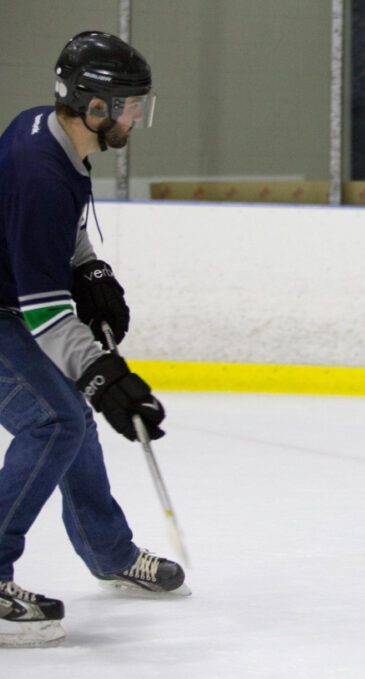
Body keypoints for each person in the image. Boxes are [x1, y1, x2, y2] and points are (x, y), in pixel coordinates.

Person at [0, 31, 188, 648]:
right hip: (11, 311)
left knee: (68, 414)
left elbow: (59, 234)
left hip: (10, 305)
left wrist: (90, 269)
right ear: (95, 106)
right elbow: (46, 311)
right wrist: (105, 378)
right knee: (56, 419)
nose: (138, 116)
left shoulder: (47, 133)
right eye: (132, 105)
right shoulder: (40, 172)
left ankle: (108, 552)